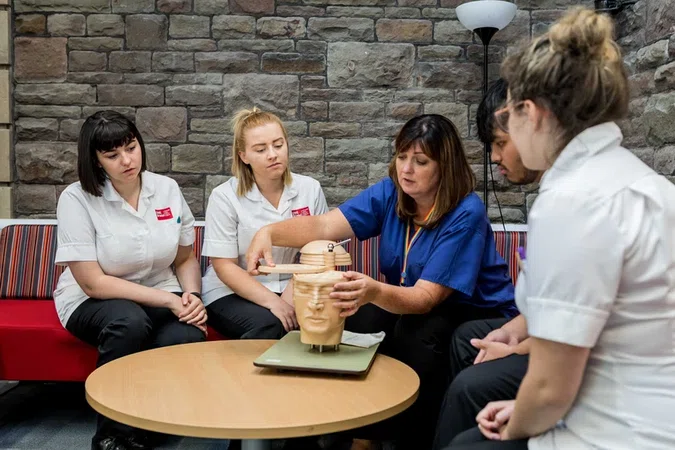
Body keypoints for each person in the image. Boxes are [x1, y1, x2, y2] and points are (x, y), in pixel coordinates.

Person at [447, 7, 675, 449]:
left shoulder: (572, 200)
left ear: (530, 113)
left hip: (618, 431)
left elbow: (550, 388)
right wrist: (525, 406)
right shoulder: (646, 183)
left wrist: (518, 422)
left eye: (508, 118)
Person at [246, 114, 518, 449]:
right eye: (402, 157)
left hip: (472, 312)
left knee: (418, 331)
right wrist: (269, 232)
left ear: (444, 166)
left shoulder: (466, 213)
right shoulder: (392, 192)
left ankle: (405, 436)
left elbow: (425, 299)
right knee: (352, 313)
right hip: (413, 303)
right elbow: (325, 227)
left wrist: (373, 290)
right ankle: (340, 427)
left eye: (420, 162)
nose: (406, 169)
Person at [54, 110, 207, 450]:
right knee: (129, 321)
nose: (127, 160)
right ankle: (112, 436)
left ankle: (154, 427)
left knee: (186, 333)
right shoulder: (76, 199)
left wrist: (192, 295)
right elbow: (92, 282)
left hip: (160, 288)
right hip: (93, 300)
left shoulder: (166, 189)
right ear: (95, 161)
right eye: (112, 155)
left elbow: (184, 258)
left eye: (131, 148)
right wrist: (170, 300)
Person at [433, 78, 542, 449]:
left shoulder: (467, 210)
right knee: (466, 339)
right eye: (402, 159)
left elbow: (575, 332)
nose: (494, 157)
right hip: (551, 336)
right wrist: (513, 332)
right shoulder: (550, 197)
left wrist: (513, 351)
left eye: (499, 143)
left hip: (586, 364)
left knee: (467, 384)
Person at [201, 107, 328, 340]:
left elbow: (318, 254)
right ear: (244, 156)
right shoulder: (224, 197)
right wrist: (274, 304)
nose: (272, 154)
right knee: (270, 326)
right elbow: (224, 266)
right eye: (261, 149)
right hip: (230, 291)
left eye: (278, 145)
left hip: (294, 286)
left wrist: (290, 298)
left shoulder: (310, 189)